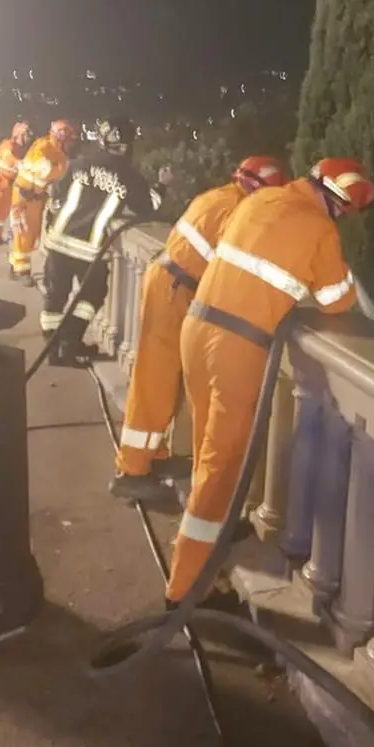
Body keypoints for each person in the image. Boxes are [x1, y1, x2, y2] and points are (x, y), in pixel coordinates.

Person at [165, 157, 374, 608]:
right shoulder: (320, 230)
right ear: (333, 201)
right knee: (222, 469)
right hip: (238, 349)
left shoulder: (260, 200)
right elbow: (338, 301)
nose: (339, 217)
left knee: (208, 454)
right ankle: (187, 590)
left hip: (197, 328)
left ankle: (205, 548)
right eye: (341, 210)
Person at [110, 154, 289, 501]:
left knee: (164, 379)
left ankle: (152, 456)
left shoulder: (218, 197)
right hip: (177, 290)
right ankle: (132, 471)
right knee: (157, 380)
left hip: (171, 283)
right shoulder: (236, 212)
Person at [40, 115, 167, 366]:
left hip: (57, 242)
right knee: (93, 294)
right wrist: (162, 185)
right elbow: (148, 206)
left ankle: (53, 349)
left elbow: (57, 193)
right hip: (88, 250)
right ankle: (70, 342)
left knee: (55, 296)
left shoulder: (78, 164)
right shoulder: (129, 177)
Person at [9, 118, 80, 281]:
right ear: (55, 132)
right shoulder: (43, 145)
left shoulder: (60, 152)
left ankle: (15, 266)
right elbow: (44, 168)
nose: (64, 135)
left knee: (31, 233)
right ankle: (21, 271)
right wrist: (62, 169)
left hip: (36, 197)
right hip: (23, 195)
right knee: (23, 232)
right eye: (61, 131)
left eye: (66, 132)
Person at [0, 121, 33, 245]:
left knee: (2, 211)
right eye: (25, 135)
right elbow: (13, 162)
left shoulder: (20, 148)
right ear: (19, 135)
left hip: (8, 183)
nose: (27, 138)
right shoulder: (8, 146)